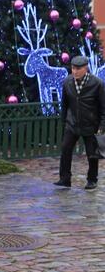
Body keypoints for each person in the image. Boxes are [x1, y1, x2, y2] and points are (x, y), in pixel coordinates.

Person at [55, 55, 105, 190]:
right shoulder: (67, 82)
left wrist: (101, 126)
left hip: (90, 124)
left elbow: (103, 107)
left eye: (78, 69)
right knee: (65, 149)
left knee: (92, 153)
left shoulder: (97, 84)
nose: (75, 71)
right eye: (73, 68)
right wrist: (64, 121)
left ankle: (92, 180)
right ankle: (65, 178)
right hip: (72, 123)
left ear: (85, 68)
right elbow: (65, 105)